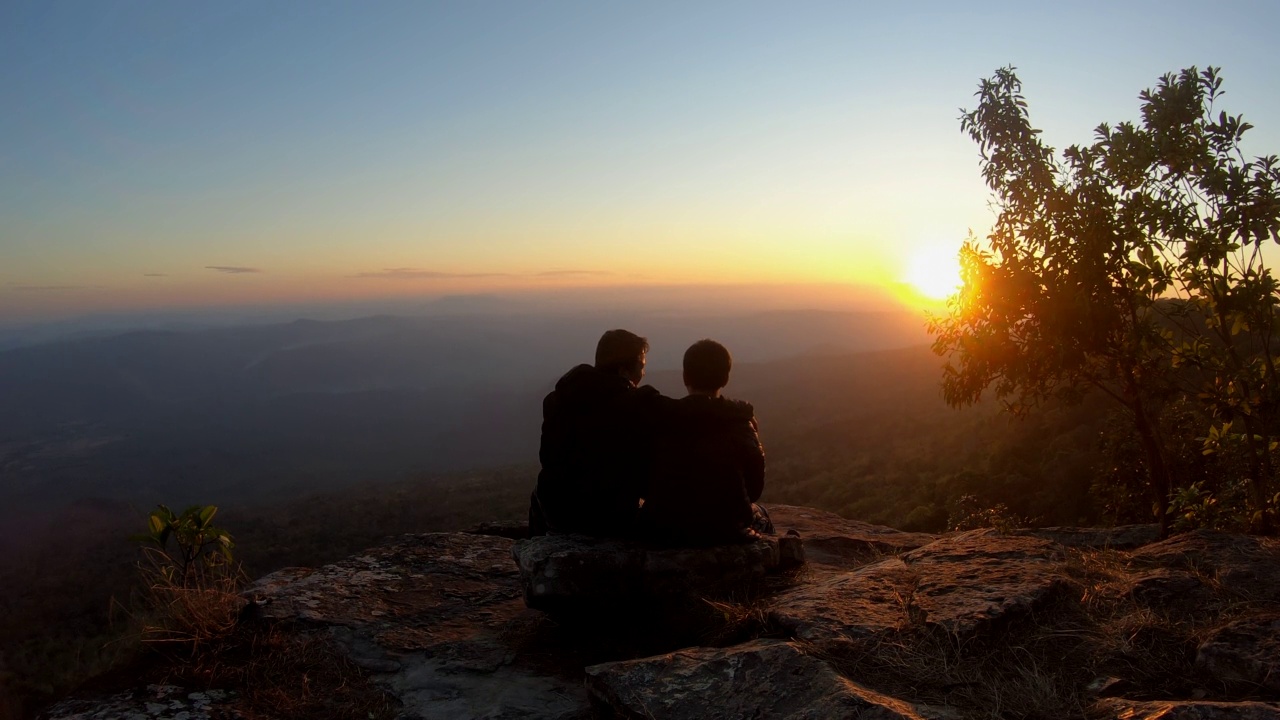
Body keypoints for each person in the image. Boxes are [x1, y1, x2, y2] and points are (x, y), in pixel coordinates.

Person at [530, 329, 663, 536]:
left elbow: (547, 457)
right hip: (610, 517)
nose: (643, 374)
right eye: (641, 367)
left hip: (557, 512)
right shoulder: (636, 407)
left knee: (540, 492)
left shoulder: (558, 399)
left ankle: (536, 555)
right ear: (623, 371)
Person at [642, 339, 769, 546]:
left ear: (685, 377)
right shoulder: (741, 425)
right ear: (725, 378)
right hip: (726, 530)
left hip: (662, 528)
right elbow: (754, 490)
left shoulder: (660, 419)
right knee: (763, 516)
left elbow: (644, 481)